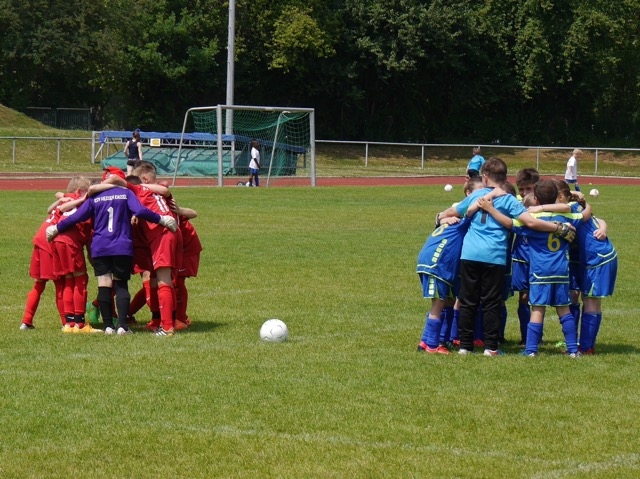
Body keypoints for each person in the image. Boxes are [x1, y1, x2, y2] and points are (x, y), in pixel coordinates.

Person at [436, 157, 575, 356]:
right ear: (504, 176)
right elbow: (530, 222)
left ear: (485, 177)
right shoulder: (509, 200)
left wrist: (441, 217)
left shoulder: (477, 195)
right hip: (494, 255)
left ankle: (465, 346)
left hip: (470, 253)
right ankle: (491, 347)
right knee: (491, 302)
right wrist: (557, 228)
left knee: (467, 300)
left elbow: (452, 211)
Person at [46, 166, 177, 335]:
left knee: (104, 284)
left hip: (100, 245)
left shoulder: (95, 196)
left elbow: (77, 216)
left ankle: (108, 326)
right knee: (121, 284)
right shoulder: (126, 193)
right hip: (122, 245)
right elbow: (139, 210)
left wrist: (57, 228)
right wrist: (161, 219)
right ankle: (122, 326)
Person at [478, 180, 585, 357]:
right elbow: (582, 210)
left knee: (537, 310)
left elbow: (509, 223)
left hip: (540, 272)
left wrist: (491, 209)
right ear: (556, 198)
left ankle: (531, 350)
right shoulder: (568, 217)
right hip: (561, 271)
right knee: (564, 310)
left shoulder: (532, 219)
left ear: (535, 199)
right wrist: (576, 197)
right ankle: (573, 350)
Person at [106, 161, 183, 336]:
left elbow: (117, 180)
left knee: (164, 280)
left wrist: (98, 187)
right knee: (162, 279)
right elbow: (165, 190)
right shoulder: (158, 192)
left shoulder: (139, 189)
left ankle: (167, 327)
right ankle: (163, 321)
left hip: (162, 233)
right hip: (173, 232)